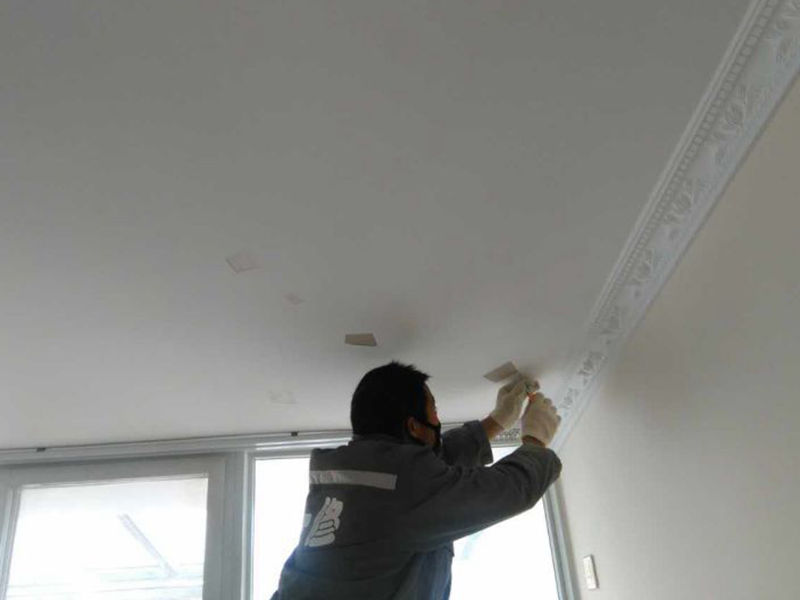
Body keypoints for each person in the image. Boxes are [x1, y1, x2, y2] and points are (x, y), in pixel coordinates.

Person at [271, 361, 562, 599]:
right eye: (434, 410)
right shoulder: (401, 487)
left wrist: (496, 421)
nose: (437, 419)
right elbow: (508, 489)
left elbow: (429, 468)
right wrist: (535, 441)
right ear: (413, 426)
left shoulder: (355, 475)